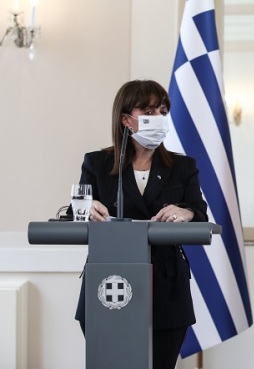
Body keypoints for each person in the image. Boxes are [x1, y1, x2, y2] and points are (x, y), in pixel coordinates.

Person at [73, 79, 208, 369]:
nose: (159, 118)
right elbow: (77, 212)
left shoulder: (183, 167)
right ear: (126, 119)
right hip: (108, 284)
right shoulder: (97, 163)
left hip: (166, 289)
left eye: (163, 111)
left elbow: (199, 212)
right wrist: (86, 209)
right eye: (149, 112)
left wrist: (186, 213)